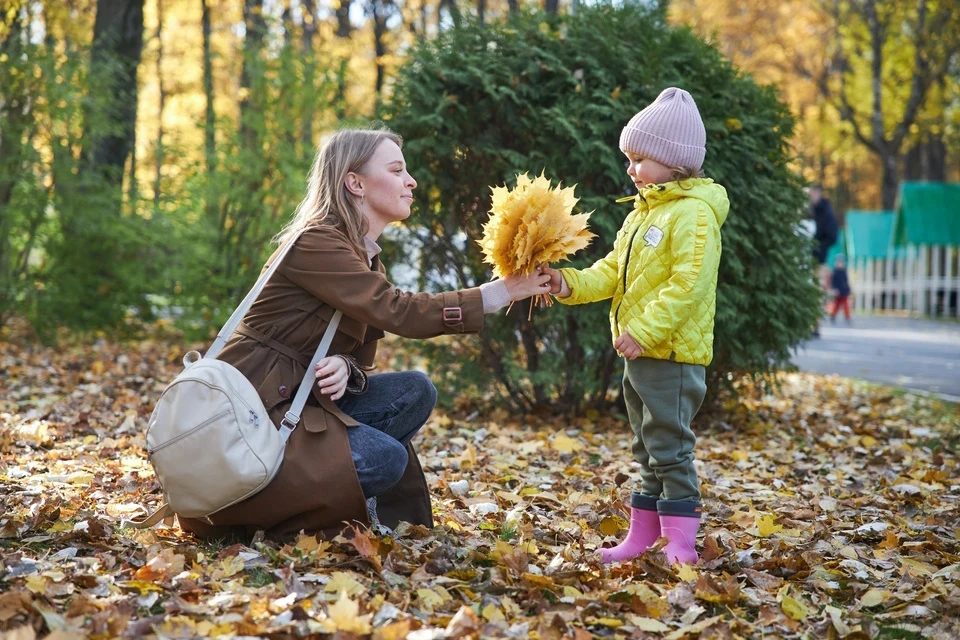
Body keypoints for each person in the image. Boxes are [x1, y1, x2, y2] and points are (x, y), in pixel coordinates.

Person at [177, 126, 551, 541]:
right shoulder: (316, 242)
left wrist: (344, 365)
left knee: (415, 390)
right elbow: (398, 311)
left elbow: (361, 360)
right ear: (354, 183)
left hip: (299, 401)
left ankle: (340, 502)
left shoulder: (364, 258)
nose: (411, 182)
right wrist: (496, 293)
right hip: (255, 414)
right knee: (385, 460)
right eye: (396, 170)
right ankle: (246, 512)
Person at [543, 88, 729, 565]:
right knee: (646, 448)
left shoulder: (694, 215)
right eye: (629, 158)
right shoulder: (643, 212)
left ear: (676, 163)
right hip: (641, 356)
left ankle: (682, 545)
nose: (631, 169)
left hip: (670, 355)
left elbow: (689, 285)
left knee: (669, 447)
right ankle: (642, 538)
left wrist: (645, 331)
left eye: (640, 158)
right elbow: (612, 272)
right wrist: (568, 284)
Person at [809, 184, 838, 337]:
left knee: (817, 292)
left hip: (818, 260)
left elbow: (833, 236)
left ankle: (815, 326)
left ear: (819, 193)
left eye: (813, 192)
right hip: (803, 258)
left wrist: (818, 248)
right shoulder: (807, 211)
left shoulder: (826, 212)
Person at [829, 254, 852, 323]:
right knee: (836, 304)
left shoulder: (844, 271)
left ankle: (847, 316)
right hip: (838, 291)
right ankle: (833, 315)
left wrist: (848, 289)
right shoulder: (835, 272)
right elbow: (833, 282)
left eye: (841, 262)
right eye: (839, 262)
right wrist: (834, 289)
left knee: (846, 305)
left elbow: (846, 281)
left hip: (844, 291)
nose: (840, 264)